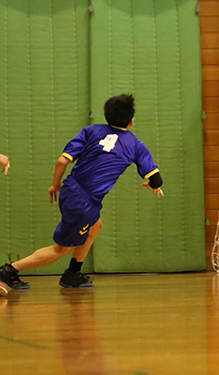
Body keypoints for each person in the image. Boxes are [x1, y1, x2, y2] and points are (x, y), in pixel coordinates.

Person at [0, 94, 164, 291]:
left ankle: (73, 274)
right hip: (84, 202)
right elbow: (155, 178)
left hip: (71, 189)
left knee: (95, 226)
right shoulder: (136, 145)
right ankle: (8, 271)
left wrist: (55, 185)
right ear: (131, 121)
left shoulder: (91, 131)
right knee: (61, 248)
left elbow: (62, 161)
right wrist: (154, 185)